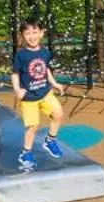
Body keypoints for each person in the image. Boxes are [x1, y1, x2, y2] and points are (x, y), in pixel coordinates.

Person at [12, 19, 66, 173]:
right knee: (33, 127)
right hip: (29, 97)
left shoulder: (45, 52)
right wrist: (17, 89)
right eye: (27, 33)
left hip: (45, 92)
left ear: (41, 33)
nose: (32, 36)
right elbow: (15, 73)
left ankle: (50, 140)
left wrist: (54, 83)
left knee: (58, 114)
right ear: (22, 36)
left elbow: (46, 68)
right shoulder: (21, 55)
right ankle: (26, 152)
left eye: (35, 32)